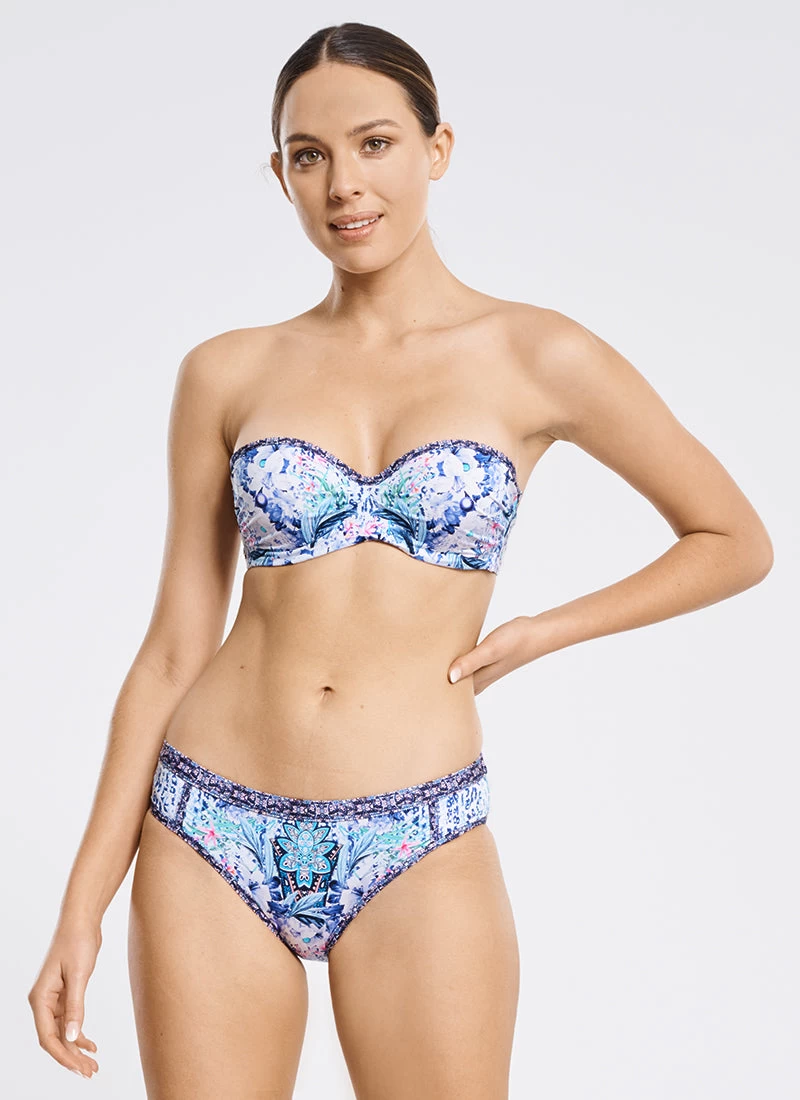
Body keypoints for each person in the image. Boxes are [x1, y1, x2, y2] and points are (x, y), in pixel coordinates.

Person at [28, 20, 773, 1099]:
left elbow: (733, 539)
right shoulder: (227, 372)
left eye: (374, 143)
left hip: (418, 834)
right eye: (309, 155)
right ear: (279, 174)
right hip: (206, 826)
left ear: (437, 147)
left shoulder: (537, 354)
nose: (343, 184)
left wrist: (541, 631)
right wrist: (81, 906)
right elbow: (172, 650)